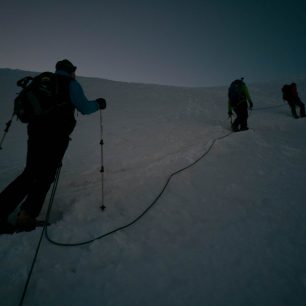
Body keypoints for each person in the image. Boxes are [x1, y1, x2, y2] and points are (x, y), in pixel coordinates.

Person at [0, 59, 106, 233]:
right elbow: (85, 108)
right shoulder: (70, 84)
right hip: (55, 137)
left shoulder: (42, 81)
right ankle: (25, 216)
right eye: (73, 70)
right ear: (71, 71)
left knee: (32, 172)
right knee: (43, 175)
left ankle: (20, 214)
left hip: (35, 133)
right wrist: (99, 104)